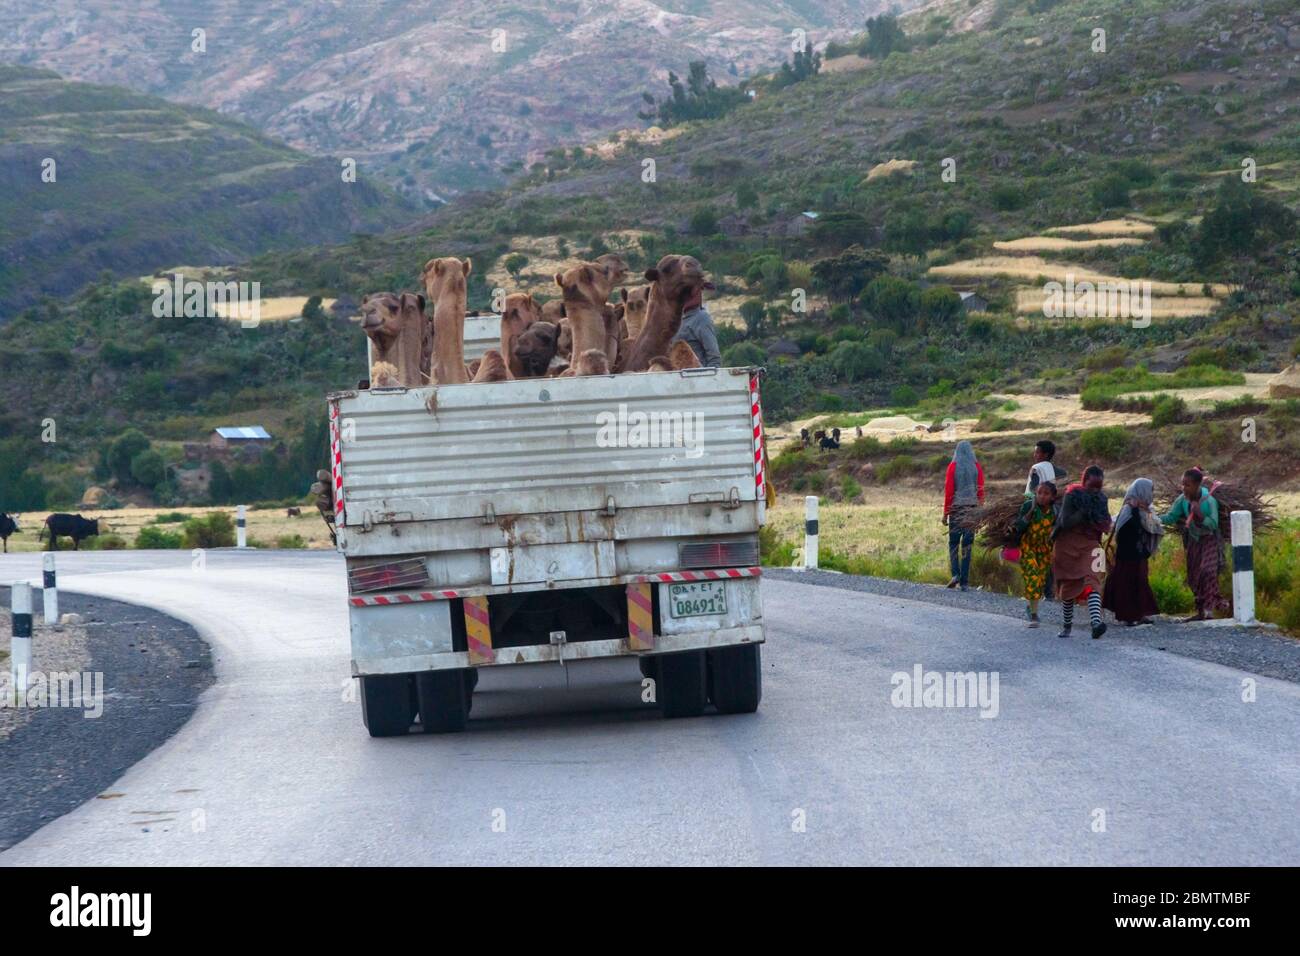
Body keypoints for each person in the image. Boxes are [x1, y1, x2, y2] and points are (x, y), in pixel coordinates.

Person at [1052, 465, 1111, 639]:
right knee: (1068, 587)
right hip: (1066, 545)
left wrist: (1102, 520)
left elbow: (1105, 521)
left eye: (1098, 487)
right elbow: (1064, 522)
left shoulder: (1101, 499)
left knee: (1093, 580)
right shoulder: (1072, 495)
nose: (1094, 490)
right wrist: (1083, 512)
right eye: (1091, 486)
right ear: (1083, 481)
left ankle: (1096, 623)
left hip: (1091, 544)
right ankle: (1067, 627)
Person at [1160, 467, 1227, 621]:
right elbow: (1171, 517)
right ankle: (1200, 611)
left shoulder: (1209, 501)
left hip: (1209, 540)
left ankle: (1210, 609)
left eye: (1187, 485)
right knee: (1194, 575)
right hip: (1193, 540)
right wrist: (1151, 517)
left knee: (1207, 571)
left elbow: (1213, 523)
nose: (1183, 488)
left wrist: (1200, 515)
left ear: (1197, 485)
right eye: (1182, 484)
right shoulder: (1182, 500)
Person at [1102, 477, 1162, 626]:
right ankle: (1129, 616)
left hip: (1140, 554)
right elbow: (1128, 531)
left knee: (1140, 583)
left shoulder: (1146, 510)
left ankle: (1140, 614)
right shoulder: (1129, 510)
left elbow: (1153, 528)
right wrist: (1135, 510)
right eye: (1150, 491)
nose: (1151, 494)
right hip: (1128, 555)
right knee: (1127, 584)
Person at [942, 440, 985, 591]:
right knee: (967, 545)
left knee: (954, 543)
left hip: (956, 510)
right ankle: (965, 582)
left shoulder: (953, 467)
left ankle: (955, 574)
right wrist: (980, 512)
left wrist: (945, 514)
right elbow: (980, 491)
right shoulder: (976, 467)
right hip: (972, 510)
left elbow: (949, 492)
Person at [1015, 481, 1058, 628]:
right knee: (1033, 577)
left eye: (1046, 494)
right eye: (1039, 493)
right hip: (1028, 547)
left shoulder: (1055, 511)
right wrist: (1028, 515)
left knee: (1040, 581)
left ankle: (1031, 607)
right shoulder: (1029, 506)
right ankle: (1034, 616)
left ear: (1053, 497)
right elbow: (1018, 526)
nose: (1042, 496)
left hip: (1044, 549)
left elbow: (1057, 530)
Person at [671, 287, 721, 368]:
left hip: (696, 376)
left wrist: (706, 378)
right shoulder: (672, 319)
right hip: (675, 377)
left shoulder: (701, 318)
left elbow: (714, 358)